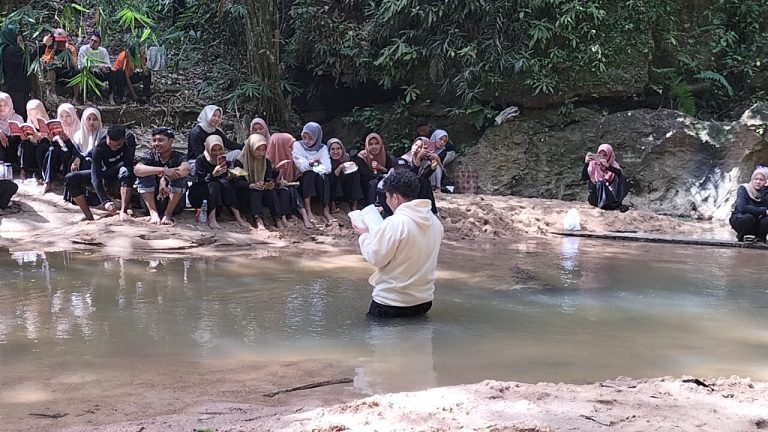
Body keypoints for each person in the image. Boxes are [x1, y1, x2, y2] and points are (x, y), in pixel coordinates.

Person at [354, 169, 444, 318]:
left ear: (395, 197)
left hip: (390, 302)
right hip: (423, 302)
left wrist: (364, 235)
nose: (387, 201)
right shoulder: (435, 223)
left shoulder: (395, 222)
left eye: (387, 196)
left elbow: (376, 258)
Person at [63, 124, 136, 221]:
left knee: (126, 171)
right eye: (111, 144)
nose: (114, 148)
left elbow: (128, 162)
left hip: (122, 172)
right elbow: (95, 176)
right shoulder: (99, 149)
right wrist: (105, 201)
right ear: (107, 138)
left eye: (118, 145)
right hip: (105, 174)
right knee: (70, 178)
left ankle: (124, 211)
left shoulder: (129, 140)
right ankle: (88, 215)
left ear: (123, 141)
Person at [188, 135, 248, 229]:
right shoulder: (201, 159)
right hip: (200, 194)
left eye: (220, 149)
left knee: (226, 183)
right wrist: (213, 174)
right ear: (208, 148)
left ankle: (238, 217)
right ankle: (212, 219)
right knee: (213, 184)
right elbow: (200, 181)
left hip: (216, 197)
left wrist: (231, 175)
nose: (217, 153)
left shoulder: (223, 160)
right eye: (214, 150)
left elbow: (224, 181)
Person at [133, 127, 190, 225]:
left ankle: (168, 214)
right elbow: (137, 169)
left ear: (171, 141)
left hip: (174, 204)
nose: (156, 144)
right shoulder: (150, 155)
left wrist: (164, 179)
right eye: (154, 141)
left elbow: (186, 168)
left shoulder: (178, 156)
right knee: (145, 174)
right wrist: (163, 170)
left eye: (160, 140)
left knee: (179, 177)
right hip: (151, 202)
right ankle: (153, 213)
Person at [233, 133, 286, 229]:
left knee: (271, 191)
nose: (260, 153)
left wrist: (269, 184)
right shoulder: (240, 162)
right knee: (255, 191)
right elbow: (237, 182)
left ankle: (278, 220)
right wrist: (251, 185)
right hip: (244, 193)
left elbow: (268, 177)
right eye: (257, 149)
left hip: (261, 191)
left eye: (263, 150)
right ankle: (259, 221)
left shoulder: (266, 162)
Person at [292, 122, 334, 226]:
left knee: (324, 177)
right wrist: (312, 164)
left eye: (310, 138)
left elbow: (328, 168)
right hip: (303, 179)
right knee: (309, 174)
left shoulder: (322, 148)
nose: (307, 141)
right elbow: (301, 166)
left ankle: (326, 209)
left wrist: (311, 164)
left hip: (318, 177)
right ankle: (308, 209)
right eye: (304, 137)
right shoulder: (298, 145)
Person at [267, 132, 313, 228]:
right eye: (289, 147)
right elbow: (270, 180)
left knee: (292, 190)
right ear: (280, 146)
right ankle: (283, 218)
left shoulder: (291, 158)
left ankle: (305, 216)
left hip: (288, 187)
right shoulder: (267, 160)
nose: (292, 150)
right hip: (273, 189)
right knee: (283, 191)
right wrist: (278, 169)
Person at [41, 103, 81, 194]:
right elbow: (57, 146)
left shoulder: (79, 128)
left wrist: (67, 139)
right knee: (52, 150)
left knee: (64, 153)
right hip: (60, 153)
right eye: (61, 116)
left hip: (72, 155)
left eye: (68, 116)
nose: (64, 119)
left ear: (73, 116)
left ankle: (67, 181)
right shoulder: (58, 127)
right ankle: (47, 182)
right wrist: (52, 140)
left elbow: (76, 150)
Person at [582, 143, 629, 212]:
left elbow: (619, 173)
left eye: (605, 155)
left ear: (610, 155)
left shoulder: (613, 165)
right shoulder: (593, 164)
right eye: (600, 155)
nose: (603, 158)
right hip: (596, 197)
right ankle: (607, 204)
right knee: (600, 184)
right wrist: (586, 163)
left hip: (611, 196)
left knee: (622, 177)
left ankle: (615, 203)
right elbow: (584, 177)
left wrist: (608, 166)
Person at [0, 24, 33, 117]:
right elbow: (28, 58)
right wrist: (43, 46)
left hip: (16, 89)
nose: (20, 37)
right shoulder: (10, 51)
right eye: (17, 35)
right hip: (15, 90)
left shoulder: (8, 49)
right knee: (19, 117)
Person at [40, 28, 80, 103]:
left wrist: (69, 55)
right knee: (51, 70)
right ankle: (52, 93)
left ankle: (75, 98)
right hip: (56, 71)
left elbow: (74, 63)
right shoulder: (50, 48)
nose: (60, 43)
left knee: (77, 72)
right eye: (58, 41)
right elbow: (46, 61)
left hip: (67, 70)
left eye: (62, 41)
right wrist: (53, 51)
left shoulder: (71, 48)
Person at [354, 132, 394, 205]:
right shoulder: (362, 157)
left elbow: (391, 171)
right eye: (371, 144)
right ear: (366, 145)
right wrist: (381, 176)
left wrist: (380, 167)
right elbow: (365, 175)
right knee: (374, 182)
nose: (374, 146)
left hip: (383, 181)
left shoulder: (385, 155)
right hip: (366, 187)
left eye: (376, 143)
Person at [730, 168, 768, 242]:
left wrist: (766, 190)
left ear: (766, 181)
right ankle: (742, 236)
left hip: (758, 222)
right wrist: (764, 211)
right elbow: (742, 208)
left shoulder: (765, 191)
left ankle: (760, 238)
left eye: (761, 180)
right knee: (747, 218)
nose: (758, 182)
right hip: (741, 219)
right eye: (756, 179)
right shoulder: (743, 189)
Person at [18, 99, 51, 182]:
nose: (35, 116)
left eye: (37, 113)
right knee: (24, 145)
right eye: (31, 114)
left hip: (44, 147)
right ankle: (23, 170)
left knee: (42, 146)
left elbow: (51, 139)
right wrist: (24, 137)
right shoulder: (29, 123)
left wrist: (42, 137)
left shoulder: (48, 122)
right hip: (32, 146)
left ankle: (41, 173)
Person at [77, 32, 114, 104]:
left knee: (112, 73)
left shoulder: (103, 51)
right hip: (88, 73)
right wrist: (98, 66)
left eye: (95, 42)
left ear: (99, 44)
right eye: (91, 40)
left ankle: (111, 96)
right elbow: (81, 65)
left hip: (100, 73)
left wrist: (105, 68)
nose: (92, 43)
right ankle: (86, 98)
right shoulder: (84, 49)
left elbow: (108, 64)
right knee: (87, 73)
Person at [328, 137, 363, 212]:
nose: (336, 152)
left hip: (346, 189)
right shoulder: (326, 161)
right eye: (332, 149)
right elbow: (331, 179)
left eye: (338, 149)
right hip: (334, 191)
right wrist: (340, 167)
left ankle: (354, 205)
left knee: (355, 174)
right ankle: (333, 205)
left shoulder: (346, 157)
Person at [0, 91, 23, 166]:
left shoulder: (17, 118)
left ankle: (21, 169)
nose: (2, 108)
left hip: (14, 148)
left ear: (10, 105)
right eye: (0, 105)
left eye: (6, 105)